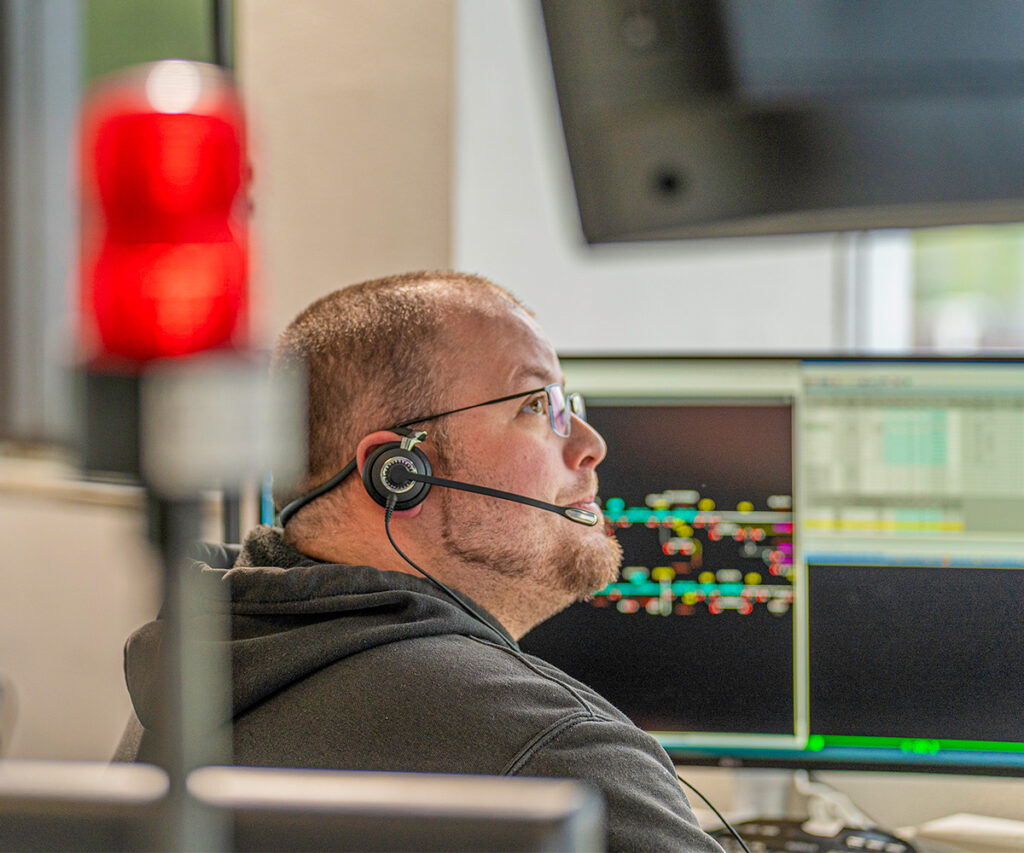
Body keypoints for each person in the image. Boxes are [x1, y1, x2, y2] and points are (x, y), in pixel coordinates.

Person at [119, 271, 725, 852]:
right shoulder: (559, 756)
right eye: (536, 406)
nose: (591, 444)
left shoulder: (192, 677)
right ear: (400, 473)